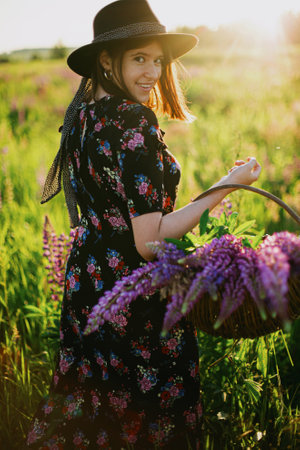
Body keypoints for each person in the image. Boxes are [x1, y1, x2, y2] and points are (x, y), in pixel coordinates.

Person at [26, 0, 261, 448]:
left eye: (158, 60)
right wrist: (227, 185)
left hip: (87, 285)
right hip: (133, 298)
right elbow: (149, 243)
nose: (152, 72)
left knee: (92, 414)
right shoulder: (133, 120)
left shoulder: (81, 118)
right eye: (139, 58)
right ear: (106, 60)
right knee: (149, 420)